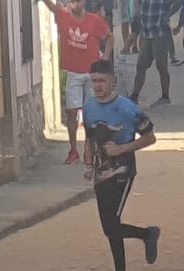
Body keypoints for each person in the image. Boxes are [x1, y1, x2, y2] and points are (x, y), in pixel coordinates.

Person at [81, 60, 161, 271]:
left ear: (113, 81)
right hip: (99, 171)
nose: (97, 86)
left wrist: (121, 150)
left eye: (102, 81)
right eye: (94, 81)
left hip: (123, 170)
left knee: (111, 223)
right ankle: (146, 236)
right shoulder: (88, 106)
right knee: (109, 226)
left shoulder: (128, 109)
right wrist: (88, 164)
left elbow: (150, 138)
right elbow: (88, 137)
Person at [39, 0, 114, 164]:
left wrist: (105, 56)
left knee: (90, 114)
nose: (74, 3)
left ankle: (89, 150)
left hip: (91, 74)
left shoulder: (94, 20)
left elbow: (109, 37)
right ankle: (73, 150)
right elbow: (51, 6)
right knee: (71, 113)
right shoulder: (63, 16)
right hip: (73, 73)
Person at [131, 0, 182, 103]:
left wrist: (168, 14)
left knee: (161, 65)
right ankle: (135, 95)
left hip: (160, 32)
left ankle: (165, 96)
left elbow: (179, 2)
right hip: (146, 32)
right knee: (140, 66)